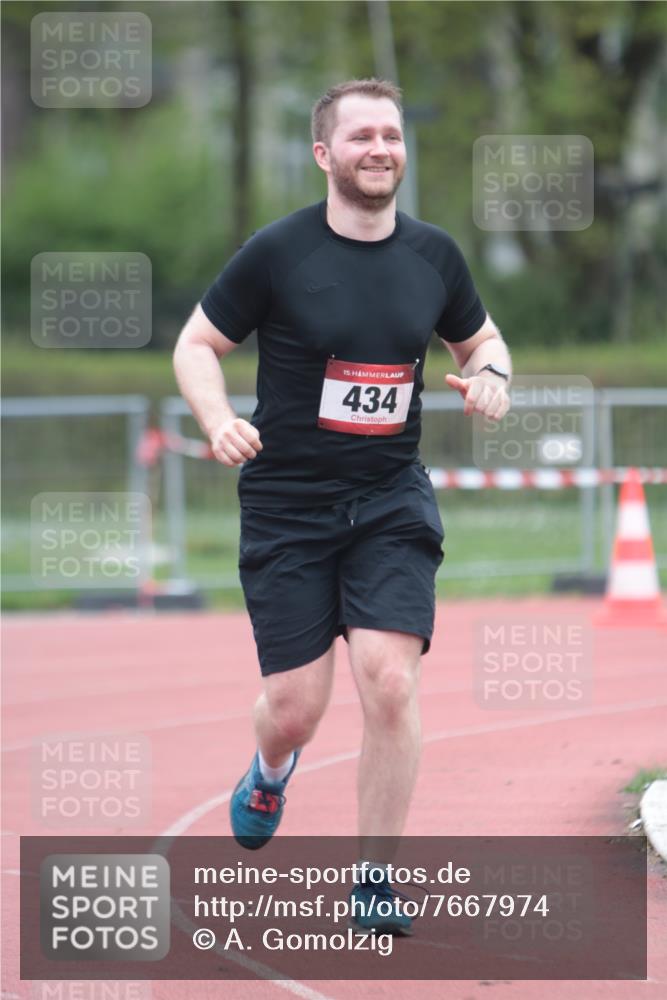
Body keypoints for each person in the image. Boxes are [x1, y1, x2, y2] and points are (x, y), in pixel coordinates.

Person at [173, 78, 511, 934]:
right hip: (287, 504)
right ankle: (268, 770)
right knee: (297, 708)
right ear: (324, 154)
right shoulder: (277, 253)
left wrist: (493, 377)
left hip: (389, 501)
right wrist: (217, 421)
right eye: (360, 136)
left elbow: (480, 339)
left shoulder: (434, 256)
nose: (379, 149)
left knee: (388, 681)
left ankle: (373, 879)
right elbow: (198, 344)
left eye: (391, 135)